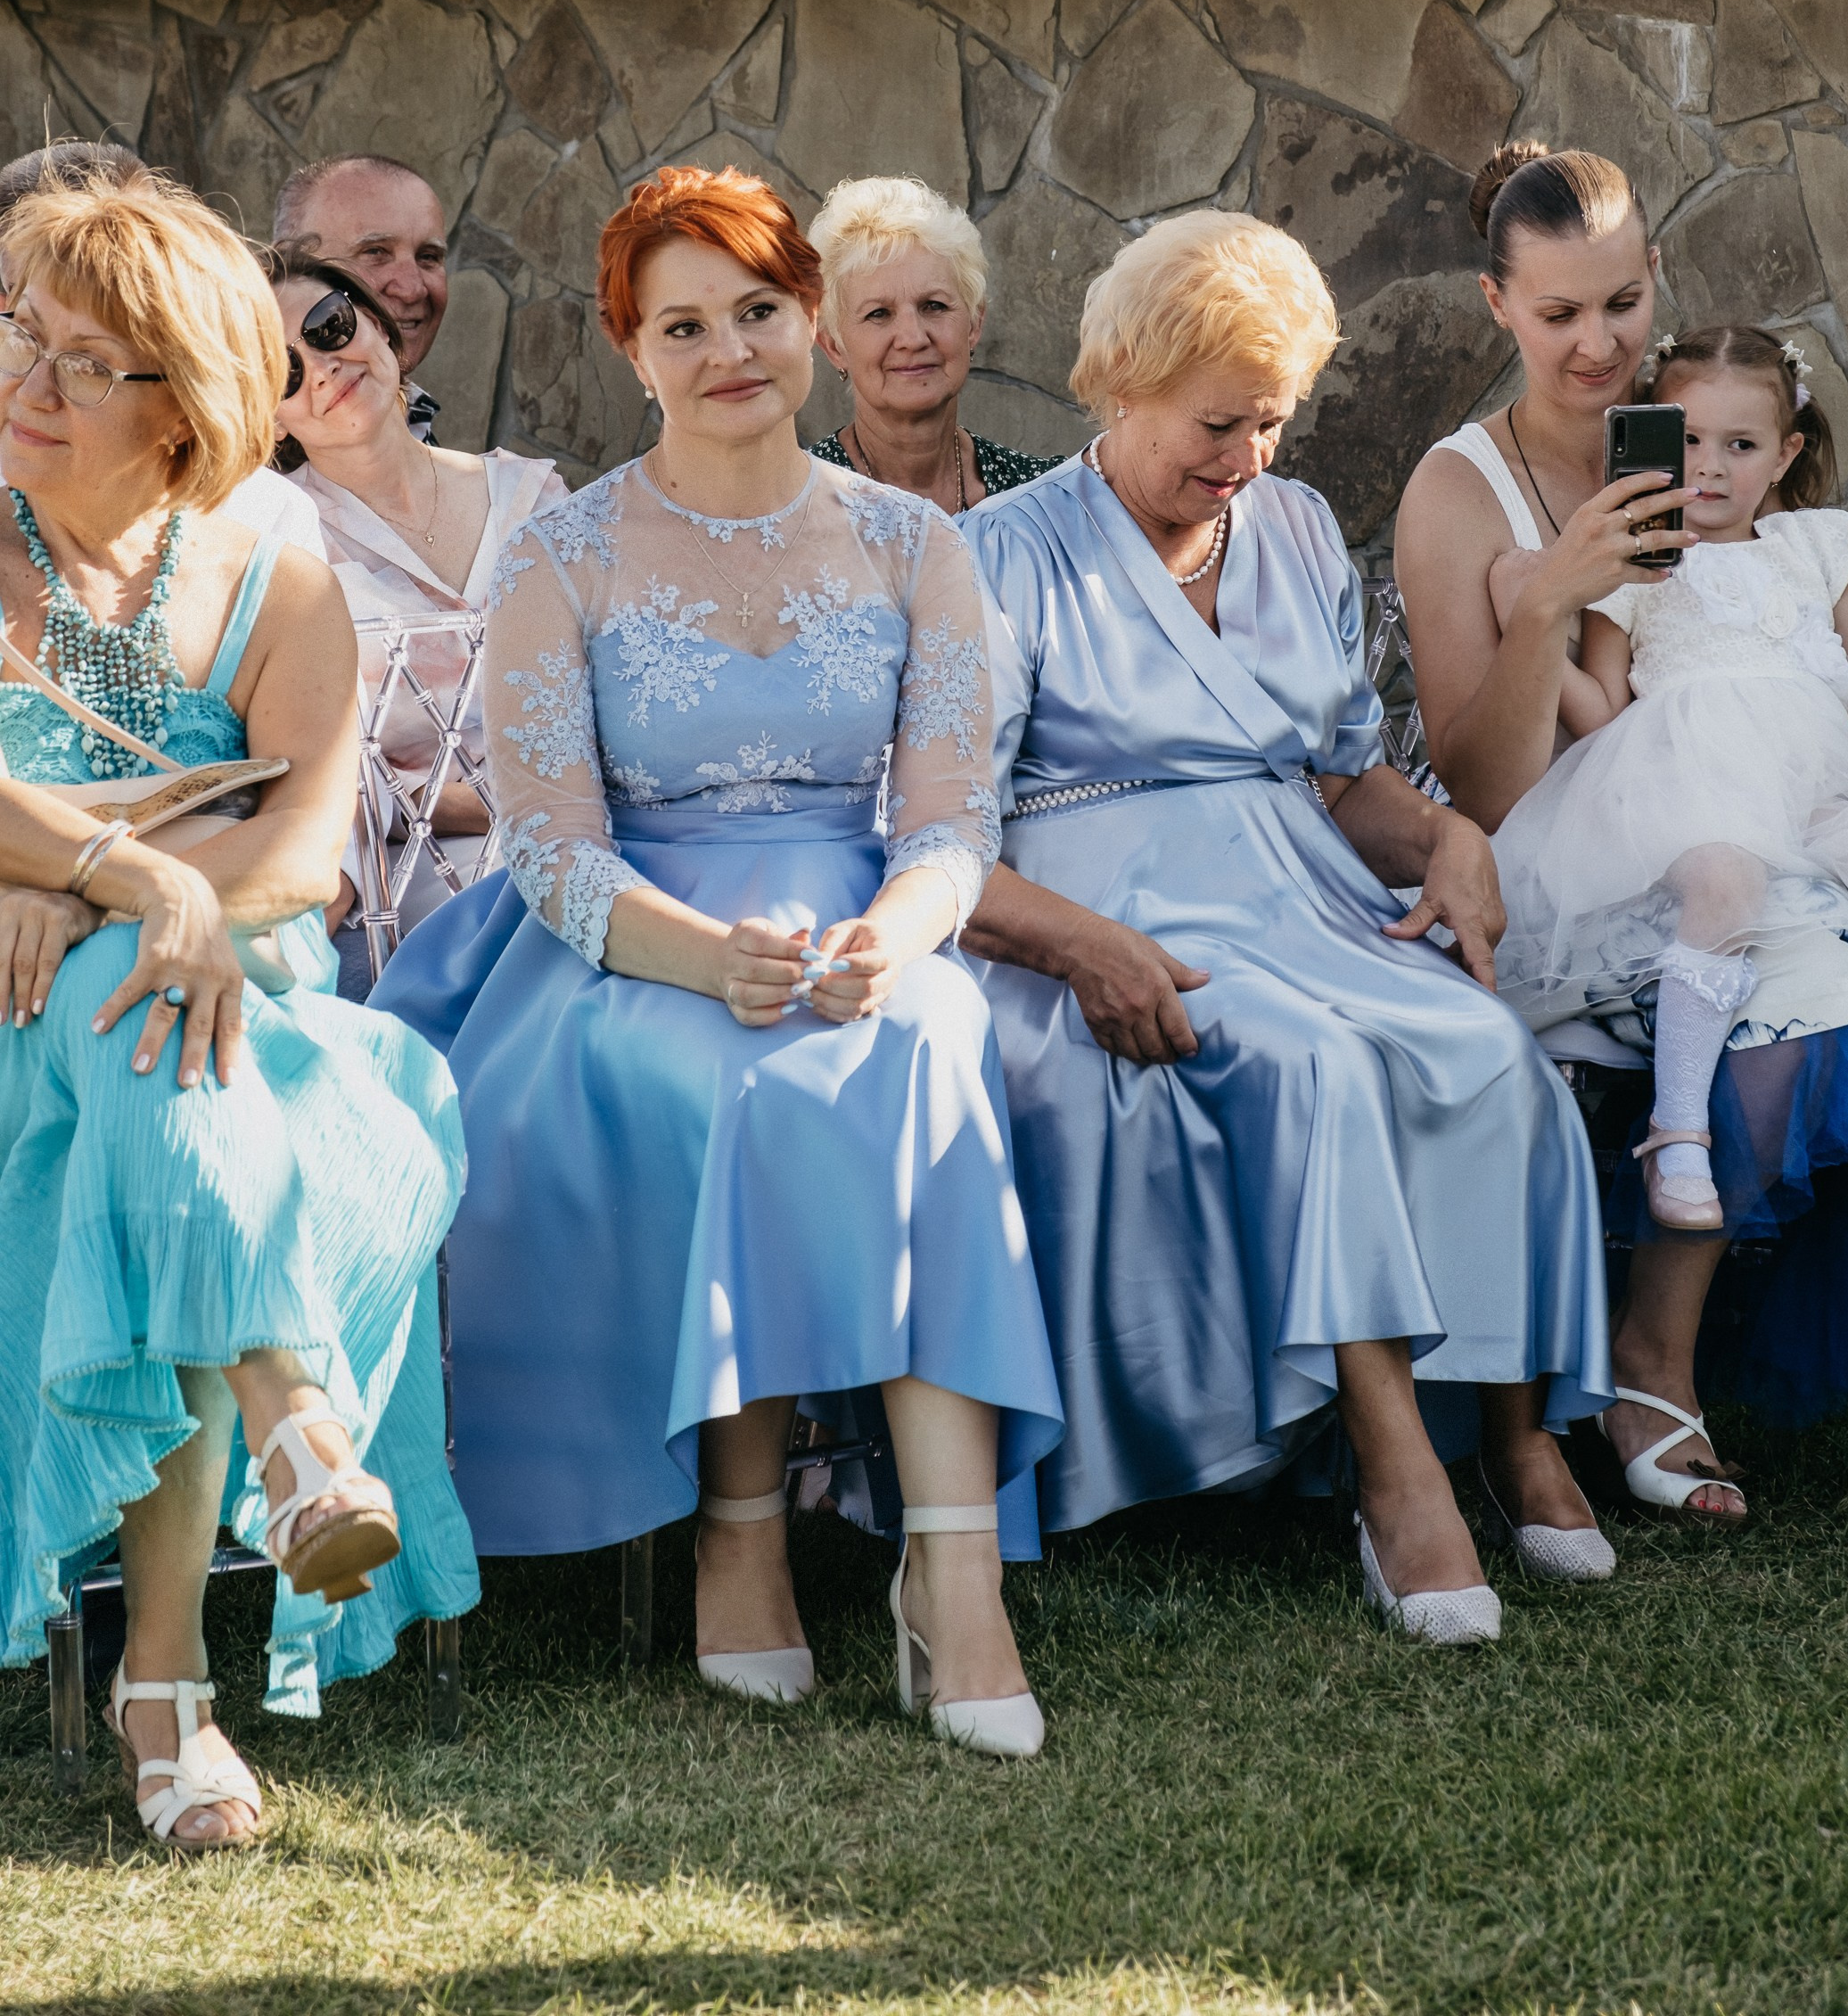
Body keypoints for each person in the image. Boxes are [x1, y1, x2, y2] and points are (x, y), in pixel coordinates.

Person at [371, 164, 1060, 1756]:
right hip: (620, 950)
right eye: (683, 324)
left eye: (756, 311)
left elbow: (954, 818)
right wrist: (702, 960)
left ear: (806, 316)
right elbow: (546, 842)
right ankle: (736, 1527)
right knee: (734, 1082)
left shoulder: (910, 546)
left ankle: (955, 1583)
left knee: (930, 1050)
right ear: (631, 350)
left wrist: (892, 937)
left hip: (863, 927)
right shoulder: (568, 555)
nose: (729, 349)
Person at [959, 210, 1614, 1647]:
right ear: (1117, 382)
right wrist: (1080, 947)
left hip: (1305, 900)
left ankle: (1511, 1440)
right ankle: (1395, 1478)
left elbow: (1345, 782)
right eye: (1214, 423)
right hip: (1104, 917)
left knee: (1486, 1048)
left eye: (1268, 422)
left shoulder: (1299, 524)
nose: (1243, 459)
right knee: (1307, 1067)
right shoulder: (992, 556)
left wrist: (1445, 836)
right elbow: (945, 844)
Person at [1394, 143, 1848, 1522]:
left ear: (1653, 281)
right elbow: (1481, 789)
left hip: (1776, 811)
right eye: (1556, 314)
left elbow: (1801, 670)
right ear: (1496, 304)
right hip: (1585, 869)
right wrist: (1552, 599)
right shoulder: (1460, 494)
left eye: (1618, 304)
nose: (1596, 345)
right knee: (1780, 982)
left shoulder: (1706, 426)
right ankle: (1645, 1362)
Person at [0, 174, 475, 1850]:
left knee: (150, 1055)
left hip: (239, 1007)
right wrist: (150, 876)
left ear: (185, 408)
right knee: (144, 1030)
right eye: (14, 333)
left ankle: (169, 1682)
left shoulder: (277, 565)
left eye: (78, 363)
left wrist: (103, 885)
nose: (20, 387)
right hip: (44, 1002)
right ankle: (282, 1454)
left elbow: (298, 855)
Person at [1491, 320, 1848, 1235]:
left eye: (1737, 446)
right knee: (1725, 885)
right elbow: (1604, 711)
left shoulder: (1809, 548)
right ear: (1653, 437)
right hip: (1687, 786)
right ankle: (1678, 1132)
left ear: (1781, 456)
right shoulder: (1635, 564)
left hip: (1813, 788)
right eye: (1687, 440)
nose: (1707, 466)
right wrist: (1531, 616)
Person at [264, 249, 563, 983]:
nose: (324, 368)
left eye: (329, 327)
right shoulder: (279, 538)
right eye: (283, 371)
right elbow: (322, 784)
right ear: (259, 412)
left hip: (584, 841)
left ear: (375, 323)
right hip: (408, 885)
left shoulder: (535, 496)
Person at [0, 140, 324, 562]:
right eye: (24, 332)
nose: (32, 393)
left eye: (88, 367)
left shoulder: (268, 537)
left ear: (187, 410)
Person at [805, 176, 1055, 510]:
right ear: (834, 346)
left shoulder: (1039, 496)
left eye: (934, 306)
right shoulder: (796, 509)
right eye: (879, 314)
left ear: (974, 325)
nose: (913, 339)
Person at [272, 154, 450, 434]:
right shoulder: (250, 470)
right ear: (290, 263)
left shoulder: (413, 424)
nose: (412, 289)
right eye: (375, 252)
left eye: (428, 257)